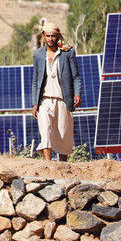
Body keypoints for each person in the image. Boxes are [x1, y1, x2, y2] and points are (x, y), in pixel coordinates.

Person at [31, 21, 81, 161]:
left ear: (57, 36)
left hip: (63, 100)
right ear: (43, 36)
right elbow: (36, 80)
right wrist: (35, 103)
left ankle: (62, 166)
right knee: (45, 131)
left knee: (62, 134)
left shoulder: (67, 52)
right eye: (48, 36)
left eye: (53, 36)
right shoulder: (38, 54)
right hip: (45, 100)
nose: (50, 39)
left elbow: (76, 77)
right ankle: (48, 164)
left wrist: (77, 94)